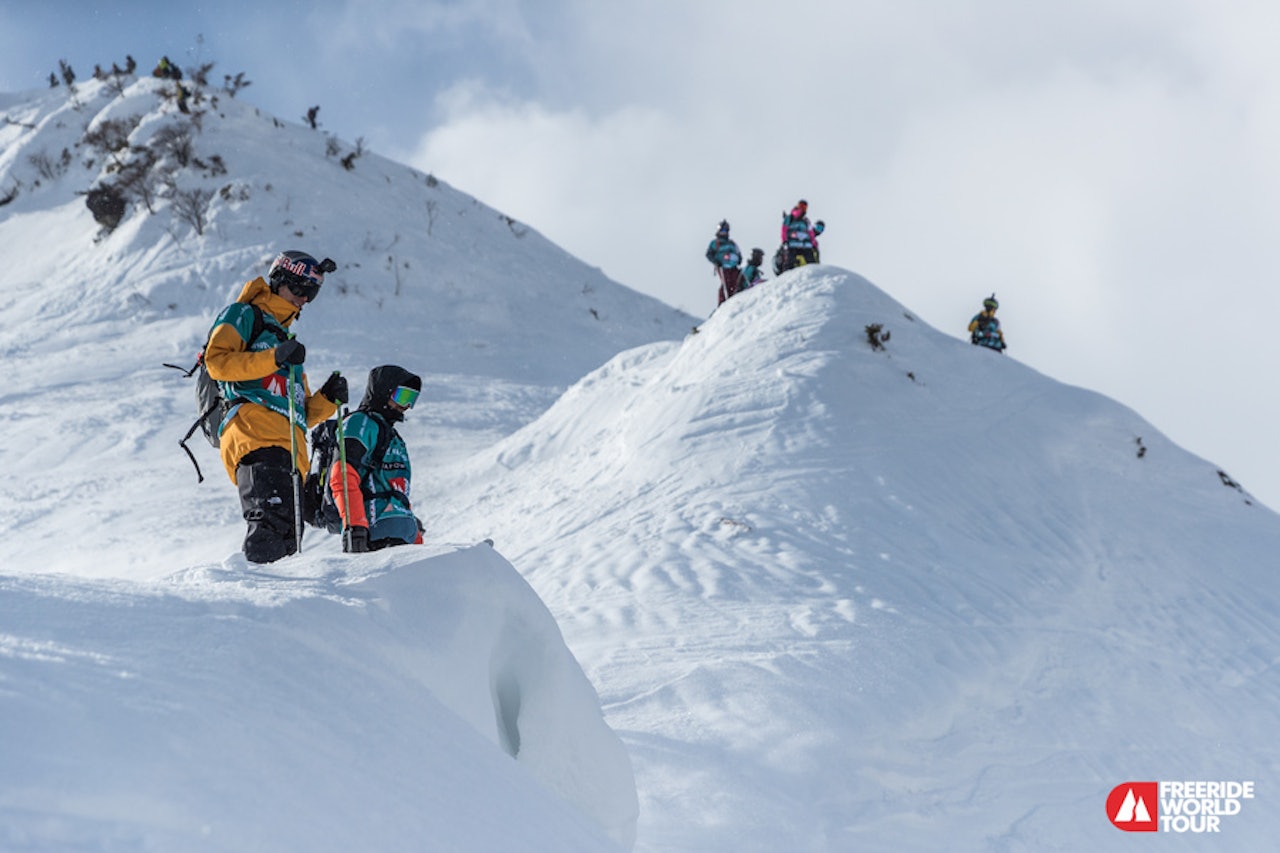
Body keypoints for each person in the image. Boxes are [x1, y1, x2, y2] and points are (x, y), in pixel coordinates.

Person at [204, 251, 346, 563]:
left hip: (289, 449)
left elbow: (301, 414)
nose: (304, 299)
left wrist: (328, 399)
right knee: (269, 528)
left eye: (312, 293)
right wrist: (274, 358)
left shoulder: (284, 340)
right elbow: (217, 362)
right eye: (300, 289)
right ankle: (253, 602)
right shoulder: (244, 315)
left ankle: (278, 606)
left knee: (288, 539)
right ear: (280, 280)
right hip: (253, 433)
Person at [328, 365, 425, 552]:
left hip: (402, 536)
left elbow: (398, 492)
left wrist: (417, 541)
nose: (406, 406)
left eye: (411, 400)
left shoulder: (395, 439)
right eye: (402, 396)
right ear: (384, 390)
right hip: (373, 534)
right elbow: (343, 475)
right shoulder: (360, 424)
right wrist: (355, 527)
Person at [705, 220, 744, 304]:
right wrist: (716, 261)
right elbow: (709, 254)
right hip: (723, 266)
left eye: (726, 231)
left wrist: (739, 259)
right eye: (722, 231)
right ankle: (723, 302)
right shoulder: (715, 243)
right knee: (727, 283)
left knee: (737, 282)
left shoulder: (732, 243)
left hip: (733, 266)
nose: (724, 233)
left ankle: (736, 298)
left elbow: (738, 252)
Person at [780, 199, 819, 270]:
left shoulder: (806, 221)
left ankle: (814, 273)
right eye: (801, 206)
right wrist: (784, 240)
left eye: (805, 207)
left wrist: (814, 243)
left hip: (805, 245)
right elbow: (784, 230)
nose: (803, 208)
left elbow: (811, 233)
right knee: (790, 262)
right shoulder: (790, 218)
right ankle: (786, 276)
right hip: (792, 244)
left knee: (811, 262)